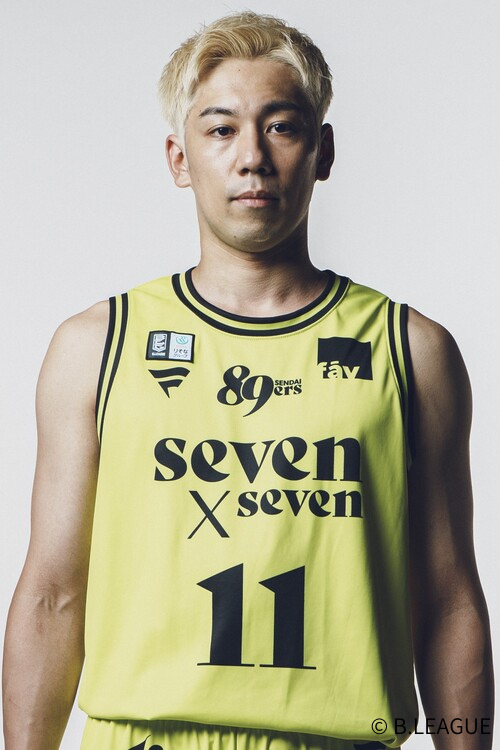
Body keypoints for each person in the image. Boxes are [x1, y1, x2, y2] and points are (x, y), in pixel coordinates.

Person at [2, 11, 494, 750]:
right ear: (179, 158)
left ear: (323, 151)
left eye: (282, 127)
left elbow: (450, 601)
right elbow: (52, 594)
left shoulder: (411, 350)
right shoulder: (96, 345)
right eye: (221, 129)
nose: (253, 157)